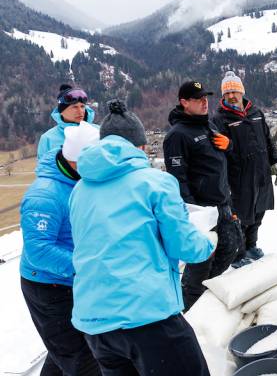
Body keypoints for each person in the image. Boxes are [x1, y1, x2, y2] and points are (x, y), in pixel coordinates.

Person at [69, 100, 214, 375]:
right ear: (140, 146)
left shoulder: (80, 189)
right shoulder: (155, 182)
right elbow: (185, 246)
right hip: (147, 316)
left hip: (96, 324)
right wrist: (208, 241)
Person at [20, 122, 101, 376]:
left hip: (71, 281)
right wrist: (88, 266)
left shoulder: (78, 180)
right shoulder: (44, 195)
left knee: (64, 352)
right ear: (77, 160)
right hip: (48, 287)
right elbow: (39, 251)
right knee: (81, 360)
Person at [163, 81, 241, 309]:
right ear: (184, 102)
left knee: (230, 249)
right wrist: (194, 214)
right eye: (198, 99)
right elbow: (178, 179)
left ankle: (205, 295)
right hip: (202, 210)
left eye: (205, 98)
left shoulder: (207, 125)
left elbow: (221, 161)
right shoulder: (177, 135)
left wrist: (229, 145)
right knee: (201, 264)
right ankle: (186, 308)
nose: (204, 102)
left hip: (222, 203)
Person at [213, 71, 277, 268]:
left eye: (234, 91)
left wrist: (276, 161)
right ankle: (238, 254)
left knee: (259, 212)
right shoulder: (220, 119)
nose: (231, 96)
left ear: (241, 91)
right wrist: (228, 149)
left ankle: (251, 246)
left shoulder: (256, 112)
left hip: (261, 172)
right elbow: (220, 153)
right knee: (241, 217)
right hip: (239, 177)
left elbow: (268, 139)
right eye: (227, 93)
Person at [38, 84, 97, 159]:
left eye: (82, 106)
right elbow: (44, 165)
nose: (80, 111)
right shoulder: (48, 139)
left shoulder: (98, 131)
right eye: (74, 107)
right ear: (61, 112)